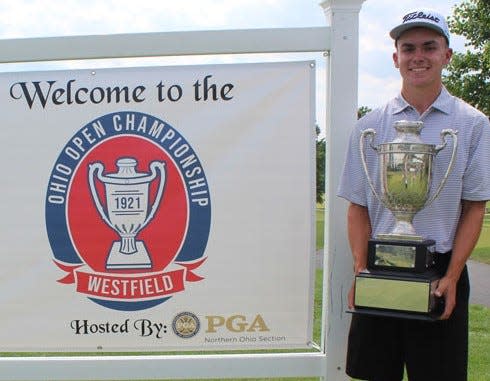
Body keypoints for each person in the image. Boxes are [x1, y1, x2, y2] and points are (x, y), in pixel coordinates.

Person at [337, 8, 490, 381]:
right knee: (375, 374)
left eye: (429, 47)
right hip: (380, 265)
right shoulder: (370, 126)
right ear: (395, 58)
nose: (418, 56)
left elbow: (474, 207)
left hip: (440, 270)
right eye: (408, 48)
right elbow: (358, 206)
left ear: (446, 55)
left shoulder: (473, 124)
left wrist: (452, 276)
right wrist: (362, 270)